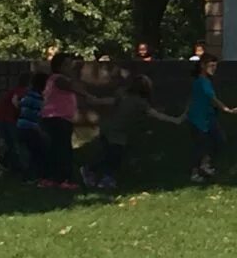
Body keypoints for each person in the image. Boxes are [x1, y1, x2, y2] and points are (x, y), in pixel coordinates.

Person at [81, 76, 184, 189]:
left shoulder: (123, 96)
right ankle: (102, 176)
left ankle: (94, 172)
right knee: (114, 156)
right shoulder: (140, 102)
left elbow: (108, 101)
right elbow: (156, 115)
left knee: (109, 154)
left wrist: (94, 100)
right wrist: (174, 120)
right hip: (117, 132)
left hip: (109, 128)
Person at [40, 53, 88, 190]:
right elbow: (75, 87)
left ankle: (51, 178)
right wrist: (90, 96)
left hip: (55, 118)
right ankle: (63, 179)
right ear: (59, 66)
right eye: (67, 65)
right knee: (63, 149)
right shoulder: (59, 79)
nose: (70, 67)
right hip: (58, 118)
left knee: (55, 149)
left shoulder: (54, 79)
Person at [186, 55, 237, 183]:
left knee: (218, 140)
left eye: (216, 66)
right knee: (200, 146)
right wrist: (227, 109)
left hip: (209, 117)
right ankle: (195, 172)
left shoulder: (205, 81)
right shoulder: (201, 81)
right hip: (199, 119)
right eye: (211, 66)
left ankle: (205, 165)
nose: (214, 68)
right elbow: (212, 99)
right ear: (203, 65)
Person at [15, 73, 48, 182]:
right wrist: (40, 131)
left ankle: (27, 176)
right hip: (30, 129)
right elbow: (35, 117)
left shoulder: (27, 95)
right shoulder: (38, 99)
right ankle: (36, 176)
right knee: (38, 152)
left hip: (20, 127)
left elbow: (20, 106)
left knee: (29, 153)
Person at [0, 76, 28, 174]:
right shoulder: (21, 91)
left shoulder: (15, 89)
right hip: (8, 119)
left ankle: (6, 162)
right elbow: (15, 101)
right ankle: (15, 166)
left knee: (9, 142)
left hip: (2, 117)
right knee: (14, 142)